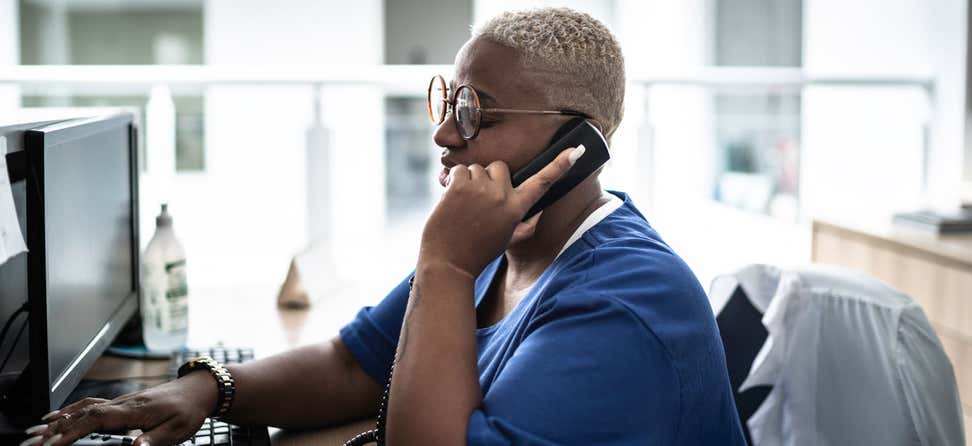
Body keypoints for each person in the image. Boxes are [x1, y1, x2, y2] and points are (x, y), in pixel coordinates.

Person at [21, 7, 746, 446]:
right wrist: (207, 390)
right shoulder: (509, 239)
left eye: (474, 114)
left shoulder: (623, 308)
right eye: (447, 102)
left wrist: (445, 265)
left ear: (576, 146)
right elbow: (357, 363)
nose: (442, 136)